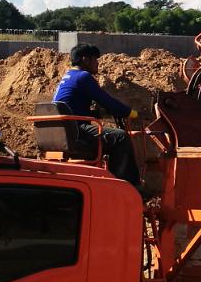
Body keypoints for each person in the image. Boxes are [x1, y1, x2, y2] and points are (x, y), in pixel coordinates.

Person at [52, 44, 140, 187]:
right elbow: (106, 101)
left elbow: (73, 108)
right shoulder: (83, 77)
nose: (98, 63)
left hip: (65, 129)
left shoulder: (68, 77)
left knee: (111, 136)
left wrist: (97, 114)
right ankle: (126, 187)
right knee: (120, 137)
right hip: (76, 131)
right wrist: (130, 113)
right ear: (85, 59)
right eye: (95, 59)